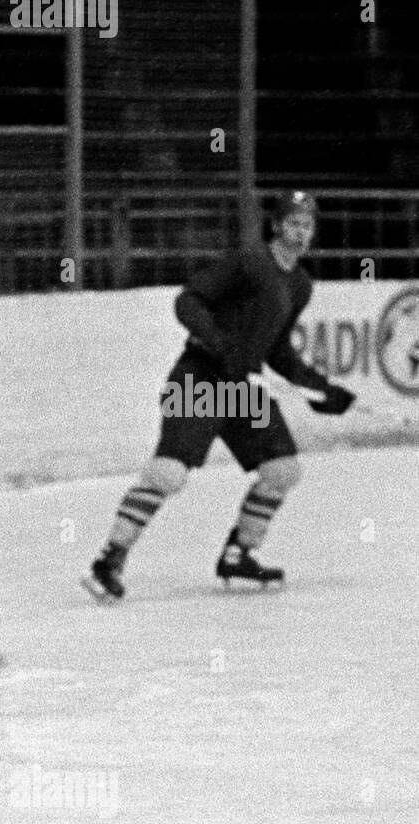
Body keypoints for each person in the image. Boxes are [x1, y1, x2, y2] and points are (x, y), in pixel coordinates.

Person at [84, 190, 356, 601]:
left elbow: (278, 349)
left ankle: (238, 553)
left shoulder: (300, 285)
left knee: (282, 470)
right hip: (199, 379)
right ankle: (110, 559)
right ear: (277, 225)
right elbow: (188, 301)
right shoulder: (250, 262)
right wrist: (219, 344)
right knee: (169, 474)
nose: (300, 232)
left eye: (307, 225)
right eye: (293, 223)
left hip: (242, 388)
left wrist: (321, 387)